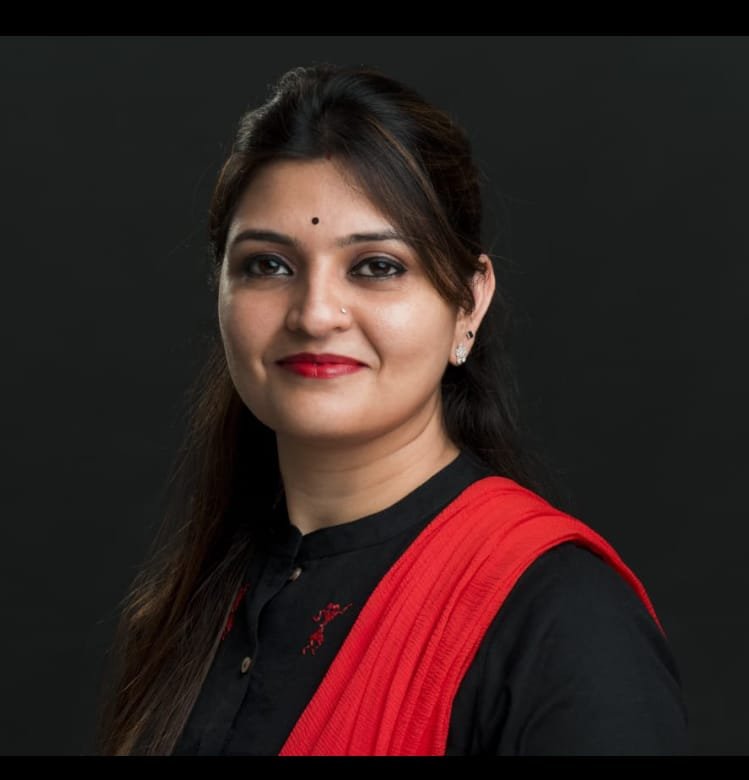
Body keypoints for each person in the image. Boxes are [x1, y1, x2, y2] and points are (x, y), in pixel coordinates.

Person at [94, 62, 689, 756]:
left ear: (468, 302)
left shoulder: (562, 617)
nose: (315, 314)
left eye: (376, 266)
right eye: (268, 265)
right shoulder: (200, 598)